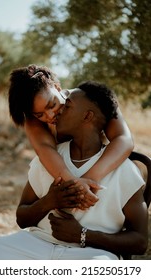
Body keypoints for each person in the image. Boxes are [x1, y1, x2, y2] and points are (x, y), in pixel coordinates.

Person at [0, 81, 147, 260]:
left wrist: (83, 235)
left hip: (92, 253)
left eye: (66, 105)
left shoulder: (123, 169)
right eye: (40, 114)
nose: (54, 114)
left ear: (87, 116)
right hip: (36, 244)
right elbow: (22, 219)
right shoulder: (48, 161)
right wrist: (49, 201)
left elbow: (140, 242)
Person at [8, 64, 134, 209]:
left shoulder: (92, 99)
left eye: (52, 104)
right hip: (64, 187)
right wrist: (75, 184)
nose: (50, 116)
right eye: (39, 114)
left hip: (104, 177)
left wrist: (90, 178)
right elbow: (45, 149)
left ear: (57, 87)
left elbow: (124, 139)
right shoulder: (33, 121)